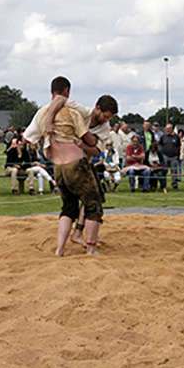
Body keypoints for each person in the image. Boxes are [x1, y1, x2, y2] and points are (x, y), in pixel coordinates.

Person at [51, 95, 113, 257]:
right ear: (97, 108)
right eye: (105, 116)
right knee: (94, 204)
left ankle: (61, 249)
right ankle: (90, 247)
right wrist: (48, 121)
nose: (106, 120)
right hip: (78, 165)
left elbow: (97, 150)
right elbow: (59, 98)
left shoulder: (104, 127)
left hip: (60, 165)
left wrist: (82, 145)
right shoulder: (81, 111)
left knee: (69, 207)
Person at [158, 124, 182, 189]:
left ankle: (174, 184)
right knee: (164, 171)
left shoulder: (176, 137)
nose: (168, 130)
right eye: (167, 128)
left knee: (174, 171)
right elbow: (161, 146)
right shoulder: (163, 137)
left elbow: (178, 147)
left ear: (172, 129)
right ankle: (163, 184)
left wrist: (177, 154)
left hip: (174, 156)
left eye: (169, 128)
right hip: (165, 156)